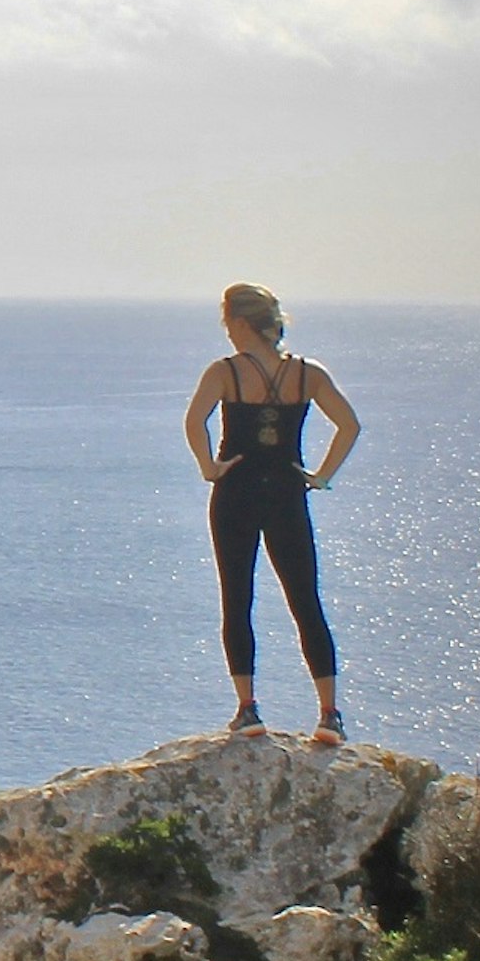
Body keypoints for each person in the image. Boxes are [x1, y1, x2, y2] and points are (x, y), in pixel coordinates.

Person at [183, 283, 358, 745]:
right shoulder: (307, 373)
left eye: (227, 324)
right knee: (305, 600)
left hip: (236, 490)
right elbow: (349, 424)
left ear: (240, 325)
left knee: (237, 599)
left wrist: (209, 467)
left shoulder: (225, 373)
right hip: (286, 490)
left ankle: (247, 709)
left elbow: (194, 420)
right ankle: (329, 714)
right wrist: (320, 476)